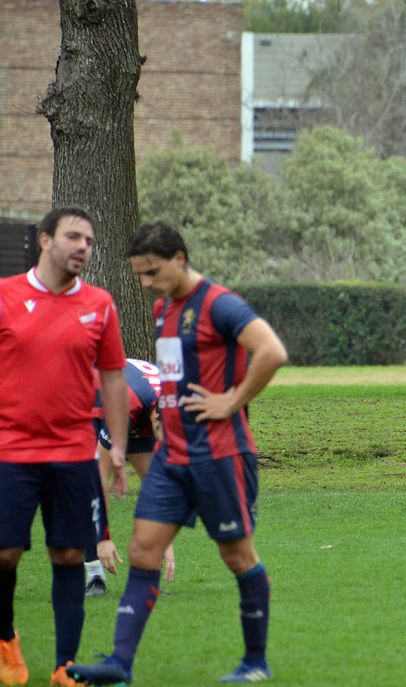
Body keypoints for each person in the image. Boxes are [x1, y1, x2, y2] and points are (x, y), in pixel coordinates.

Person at [69, 221, 288, 685]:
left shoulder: (220, 304)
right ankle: (119, 665)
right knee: (143, 550)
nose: (147, 282)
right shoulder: (164, 309)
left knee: (237, 556)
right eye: (140, 275)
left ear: (180, 259)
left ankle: (255, 662)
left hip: (219, 456)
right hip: (172, 458)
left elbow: (271, 351)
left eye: (152, 272)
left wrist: (231, 401)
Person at [0, 207, 129, 687]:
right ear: (45, 240)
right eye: (74, 237)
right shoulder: (6, 296)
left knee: (71, 555)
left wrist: (117, 447)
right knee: (5, 554)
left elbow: (113, 378)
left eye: (89, 241)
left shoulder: (100, 304)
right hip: (10, 450)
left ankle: (65, 667)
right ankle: (5, 640)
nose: (83, 248)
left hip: (74, 452)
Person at [84, 359, 176, 597]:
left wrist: (166, 540)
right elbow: (100, 475)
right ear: (156, 420)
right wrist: (104, 535)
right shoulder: (128, 405)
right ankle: (94, 574)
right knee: (88, 485)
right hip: (92, 400)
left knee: (153, 481)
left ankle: (147, 577)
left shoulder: (173, 401)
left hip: (138, 401)